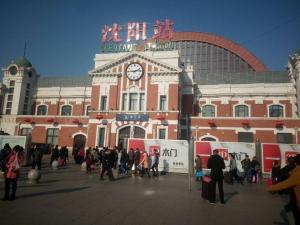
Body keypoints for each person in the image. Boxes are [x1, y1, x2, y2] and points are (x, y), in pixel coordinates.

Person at [267, 154, 300, 225]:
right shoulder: (294, 170)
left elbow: (284, 184)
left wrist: (271, 188)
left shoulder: (296, 173)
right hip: (294, 198)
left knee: (292, 214)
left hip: (296, 200)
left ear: (295, 163)